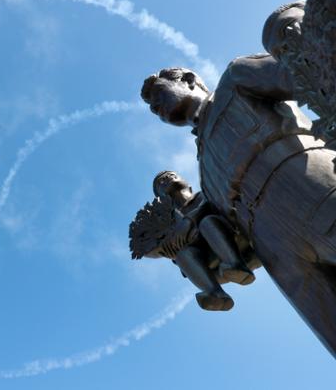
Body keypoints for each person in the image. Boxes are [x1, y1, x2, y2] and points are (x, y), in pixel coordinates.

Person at [140, 28, 336, 354]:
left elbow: (307, 71)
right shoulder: (205, 175)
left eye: (158, 95)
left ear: (188, 79)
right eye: (151, 108)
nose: (155, 107)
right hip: (281, 254)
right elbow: (230, 243)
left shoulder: (236, 81)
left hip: (311, 187)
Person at [130, 171, 255, 311]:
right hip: (211, 266)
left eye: (170, 175)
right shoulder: (171, 223)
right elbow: (155, 250)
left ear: (187, 183)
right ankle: (215, 293)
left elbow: (211, 203)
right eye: (160, 183)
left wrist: (190, 220)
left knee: (207, 222)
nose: (165, 180)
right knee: (183, 254)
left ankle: (235, 265)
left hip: (229, 239)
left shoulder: (204, 194)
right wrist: (170, 251)